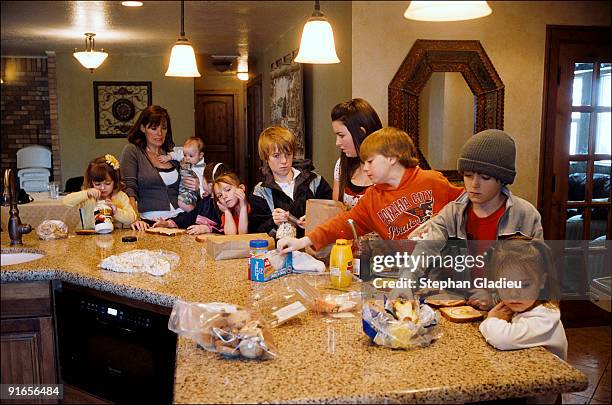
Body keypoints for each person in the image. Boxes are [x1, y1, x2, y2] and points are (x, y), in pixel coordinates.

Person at [407, 129, 543, 309]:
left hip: (508, 312)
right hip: (460, 308)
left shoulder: (525, 215)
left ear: (502, 180)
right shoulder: (451, 213)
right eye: (468, 176)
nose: (474, 184)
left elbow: (536, 274)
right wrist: (405, 281)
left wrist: (494, 297)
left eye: (485, 177)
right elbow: (425, 249)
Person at [277, 127, 464, 253]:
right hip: (406, 273)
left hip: (445, 270)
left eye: (370, 161)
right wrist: (303, 241)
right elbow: (340, 223)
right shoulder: (372, 198)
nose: (365, 168)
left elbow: (467, 203)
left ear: (392, 157)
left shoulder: (432, 181)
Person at [119, 105, 198, 231]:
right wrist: (135, 218)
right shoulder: (132, 151)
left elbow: (188, 184)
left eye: (164, 128)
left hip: (181, 219)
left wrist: (195, 185)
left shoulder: (172, 154)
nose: (160, 133)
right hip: (150, 222)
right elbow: (129, 189)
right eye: (154, 128)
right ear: (143, 128)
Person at [249, 127, 332, 237]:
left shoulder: (315, 181)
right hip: (279, 251)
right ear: (265, 157)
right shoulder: (260, 192)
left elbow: (331, 215)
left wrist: (314, 219)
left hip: (313, 249)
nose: (284, 161)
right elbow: (256, 233)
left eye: (288, 154)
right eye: (276, 156)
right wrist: (273, 223)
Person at [151, 161, 229, 235]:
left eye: (202, 177)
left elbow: (226, 230)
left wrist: (207, 228)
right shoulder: (205, 201)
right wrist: (169, 223)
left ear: (210, 185)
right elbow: (189, 217)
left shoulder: (223, 205)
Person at [331, 98, 383, 208]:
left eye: (341, 135)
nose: (337, 143)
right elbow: (336, 212)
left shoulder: (387, 167)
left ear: (361, 132)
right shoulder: (341, 164)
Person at [63, 154, 137, 229]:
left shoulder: (120, 196)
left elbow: (132, 218)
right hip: (89, 236)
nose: (102, 188)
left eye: (107, 183)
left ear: (115, 181)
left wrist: (116, 211)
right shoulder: (88, 197)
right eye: (97, 184)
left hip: (114, 236)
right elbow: (66, 201)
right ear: (91, 182)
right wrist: (86, 193)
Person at [158, 136, 206, 207]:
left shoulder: (201, 168)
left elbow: (203, 182)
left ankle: (194, 212)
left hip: (191, 191)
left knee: (182, 203)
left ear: (200, 155)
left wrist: (202, 193)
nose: (187, 158)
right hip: (181, 188)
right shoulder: (186, 156)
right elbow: (177, 154)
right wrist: (168, 157)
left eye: (191, 156)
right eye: (185, 155)